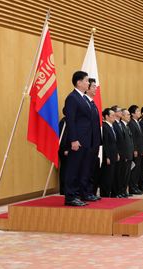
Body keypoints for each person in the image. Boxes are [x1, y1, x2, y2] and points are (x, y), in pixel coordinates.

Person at [62, 71, 94, 206]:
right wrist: (73, 140)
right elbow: (71, 120)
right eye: (86, 81)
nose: (88, 83)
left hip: (86, 140)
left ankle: (78, 194)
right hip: (77, 140)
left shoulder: (84, 98)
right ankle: (70, 197)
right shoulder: (72, 98)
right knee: (73, 168)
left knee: (82, 168)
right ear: (79, 82)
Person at [84, 78, 102, 200]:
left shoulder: (92, 103)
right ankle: (85, 192)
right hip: (87, 143)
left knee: (92, 169)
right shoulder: (84, 102)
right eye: (94, 86)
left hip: (94, 142)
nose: (96, 88)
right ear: (87, 88)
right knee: (86, 169)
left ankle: (90, 192)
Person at [100, 108, 119, 198]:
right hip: (108, 156)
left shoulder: (112, 126)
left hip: (113, 154)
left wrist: (117, 153)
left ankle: (113, 194)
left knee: (113, 176)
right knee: (106, 177)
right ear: (106, 116)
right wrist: (106, 156)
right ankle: (105, 195)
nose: (114, 117)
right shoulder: (104, 127)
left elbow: (114, 142)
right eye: (112, 115)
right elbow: (105, 143)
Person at [128, 105, 143, 195]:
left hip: (140, 149)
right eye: (137, 111)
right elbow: (133, 138)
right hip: (136, 150)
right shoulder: (131, 123)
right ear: (133, 114)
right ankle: (132, 187)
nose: (139, 113)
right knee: (134, 169)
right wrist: (135, 149)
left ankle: (135, 186)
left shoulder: (137, 122)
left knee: (138, 169)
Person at [120, 108, 134, 197]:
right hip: (125, 154)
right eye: (127, 115)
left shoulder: (127, 126)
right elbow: (122, 142)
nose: (129, 116)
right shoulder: (121, 126)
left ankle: (124, 190)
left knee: (127, 174)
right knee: (123, 174)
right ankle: (121, 191)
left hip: (129, 153)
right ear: (122, 116)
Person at [58, 116, 69, 195]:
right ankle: (63, 190)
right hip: (65, 150)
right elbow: (63, 136)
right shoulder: (64, 122)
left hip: (70, 150)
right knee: (65, 170)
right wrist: (65, 149)